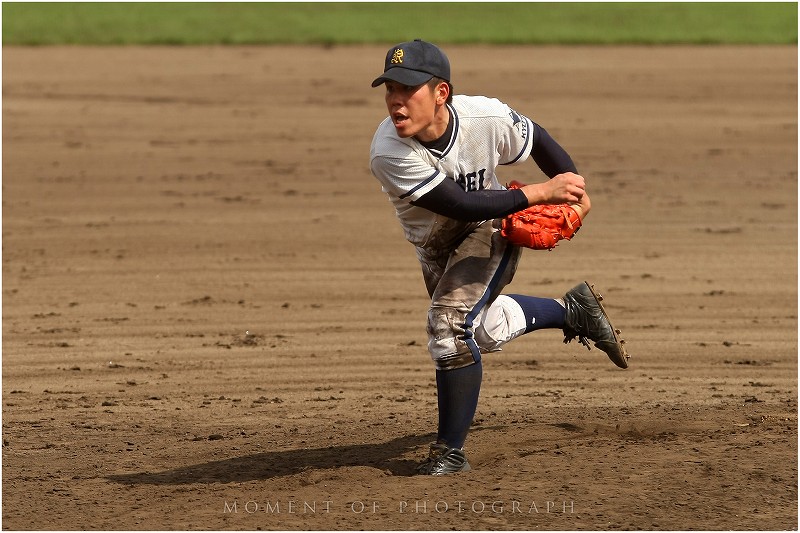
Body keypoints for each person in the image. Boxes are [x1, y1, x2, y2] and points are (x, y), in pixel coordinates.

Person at [369, 39, 629, 475]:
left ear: (440, 94)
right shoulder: (389, 152)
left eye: (408, 89)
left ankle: (449, 452)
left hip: (490, 229)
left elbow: (540, 142)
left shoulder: (483, 117)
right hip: (437, 245)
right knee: (479, 332)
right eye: (390, 89)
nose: (396, 101)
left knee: (449, 328)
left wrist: (575, 195)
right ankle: (571, 312)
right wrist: (542, 192)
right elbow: (458, 204)